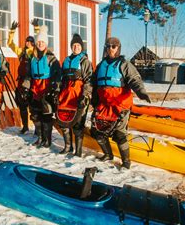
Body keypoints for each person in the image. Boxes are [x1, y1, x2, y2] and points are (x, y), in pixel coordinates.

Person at [90, 37, 151, 169]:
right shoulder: (101, 65)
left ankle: (126, 161)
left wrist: (141, 92)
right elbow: (93, 83)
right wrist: (92, 98)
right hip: (104, 104)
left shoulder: (124, 64)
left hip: (121, 104)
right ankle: (108, 154)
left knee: (119, 134)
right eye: (108, 46)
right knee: (97, 131)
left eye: (113, 46)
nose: (110, 49)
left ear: (118, 48)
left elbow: (135, 79)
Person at [22, 26, 61, 148]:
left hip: (47, 88)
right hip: (35, 88)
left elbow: (57, 75)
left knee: (46, 115)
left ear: (46, 43)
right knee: (35, 115)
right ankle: (40, 138)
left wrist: (55, 89)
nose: (40, 44)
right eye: (38, 41)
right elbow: (28, 75)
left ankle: (47, 140)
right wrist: (25, 88)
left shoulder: (51, 58)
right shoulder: (32, 58)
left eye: (42, 42)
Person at [56, 34, 93, 157]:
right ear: (71, 47)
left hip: (79, 96)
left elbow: (89, 80)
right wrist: (57, 91)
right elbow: (61, 78)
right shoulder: (66, 60)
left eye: (78, 45)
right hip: (66, 95)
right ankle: (68, 147)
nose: (76, 47)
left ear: (81, 47)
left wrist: (85, 95)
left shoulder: (85, 61)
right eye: (74, 45)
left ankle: (78, 150)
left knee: (78, 123)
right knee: (63, 120)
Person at [7, 19, 38, 134]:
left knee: (33, 106)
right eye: (27, 41)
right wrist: (12, 31)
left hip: (32, 82)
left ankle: (36, 128)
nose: (28, 43)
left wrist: (36, 28)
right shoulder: (21, 52)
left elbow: (41, 41)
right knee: (22, 105)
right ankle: (25, 126)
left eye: (30, 41)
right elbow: (10, 44)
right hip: (21, 82)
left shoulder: (35, 52)